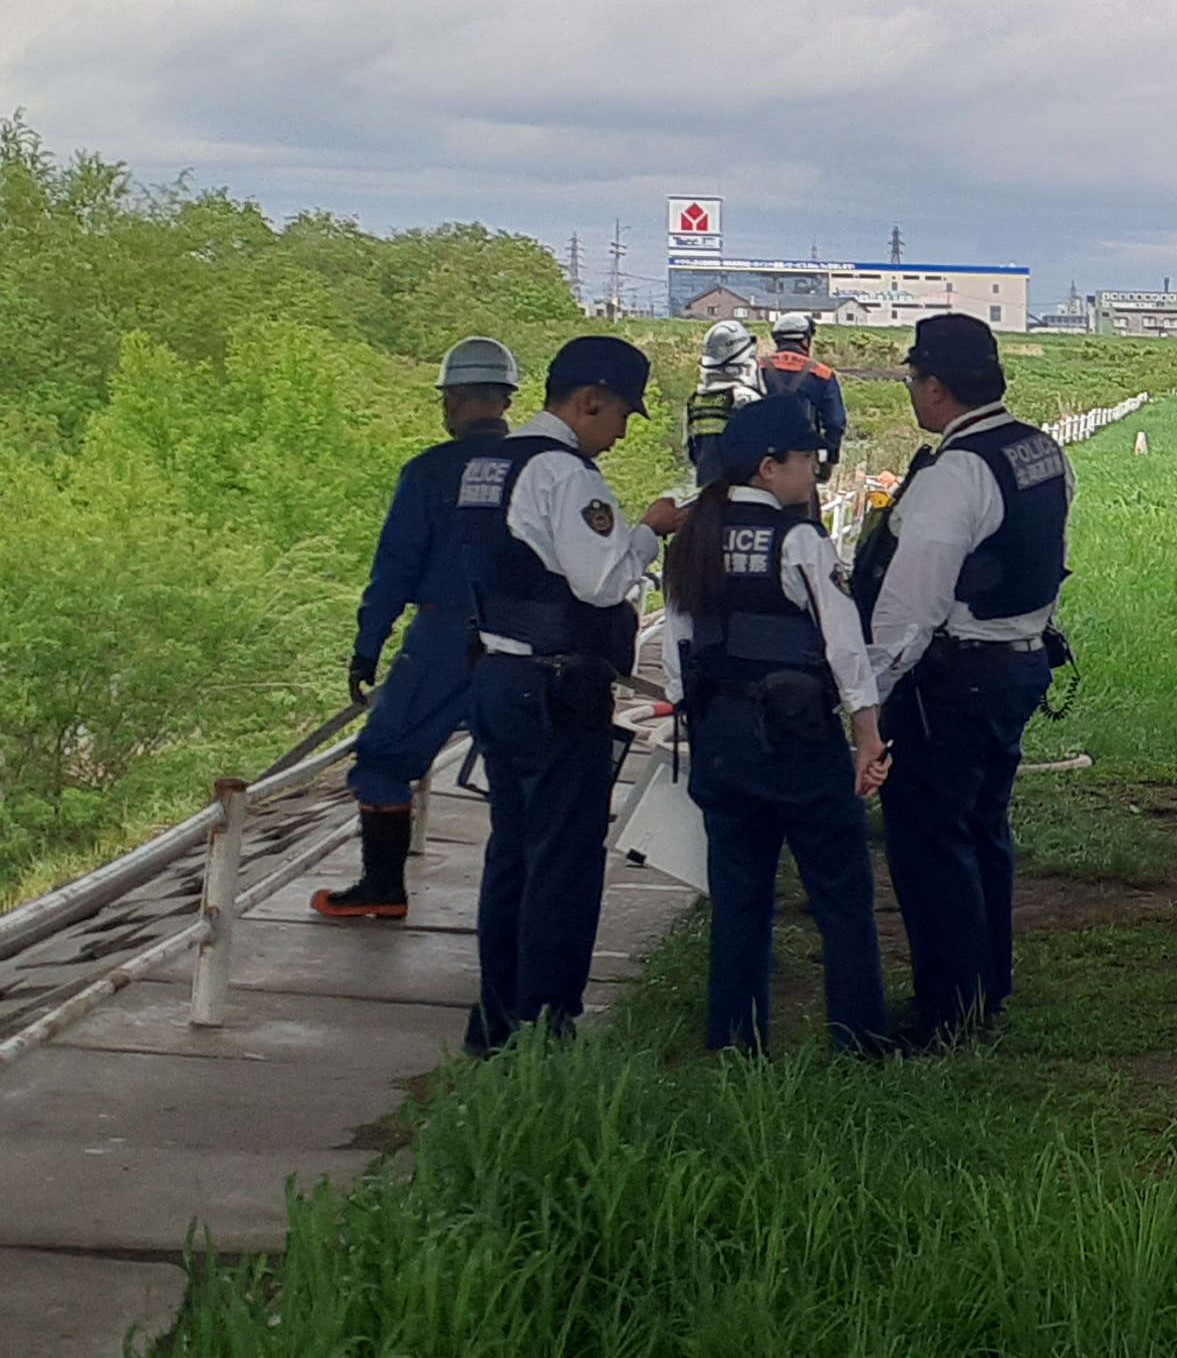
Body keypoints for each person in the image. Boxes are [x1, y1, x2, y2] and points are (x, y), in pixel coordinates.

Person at [458, 334, 685, 1051]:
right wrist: (648, 533)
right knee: (564, 860)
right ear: (588, 401)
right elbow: (604, 581)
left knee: (513, 854)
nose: (618, 434)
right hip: (556, 688)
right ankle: (547, 1022)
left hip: (495, 673)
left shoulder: (485, 465)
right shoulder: (567, 475)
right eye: (619, 416)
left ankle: (495, 1018)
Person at [852, 313, 1070, 1047]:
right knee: (982, 827)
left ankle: (948, 1014)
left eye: (914, 380)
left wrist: (868, 701)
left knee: (929, 844)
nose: (913, 394)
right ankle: (987, 987)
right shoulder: (1040, 450)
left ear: (936, 387)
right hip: (1018, 662)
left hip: (955, 678)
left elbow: (911, 607)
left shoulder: (956, 476)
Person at [663, 396, 891, 1054]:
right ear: (769, 468)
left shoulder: (694, 537)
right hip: (798, 745)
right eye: (808, 464)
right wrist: (867, 733)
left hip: (721, 744)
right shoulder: (799, 543)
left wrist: (698, 728)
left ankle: (734, 1043)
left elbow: (680, 652)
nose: (815, 478)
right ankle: (858, 1040)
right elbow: (846, 649)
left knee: (738, 901)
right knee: (841, 895)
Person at [315, 337, 522, 921]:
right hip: (522, 642)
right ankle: (525, 899)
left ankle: (382, 887)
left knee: (383, 757)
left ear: (453, 400)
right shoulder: (538, 467)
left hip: (444, 640)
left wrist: (366, 648)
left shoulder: (430, 473)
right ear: (506, 399)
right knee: (519, 767)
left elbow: (395, 570)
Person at [755, 311, 848, 478]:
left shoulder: (757, 367)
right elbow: (835, 423)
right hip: (802, 459)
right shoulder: (823, 374)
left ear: (777, 339)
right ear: (806, 340)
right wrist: (828, 458)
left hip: (761, 458)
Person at [685, 319, 763, 487]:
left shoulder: (696, 400)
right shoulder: (745, 399)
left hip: (706, 492)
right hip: (739, 493)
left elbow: (693, 452)